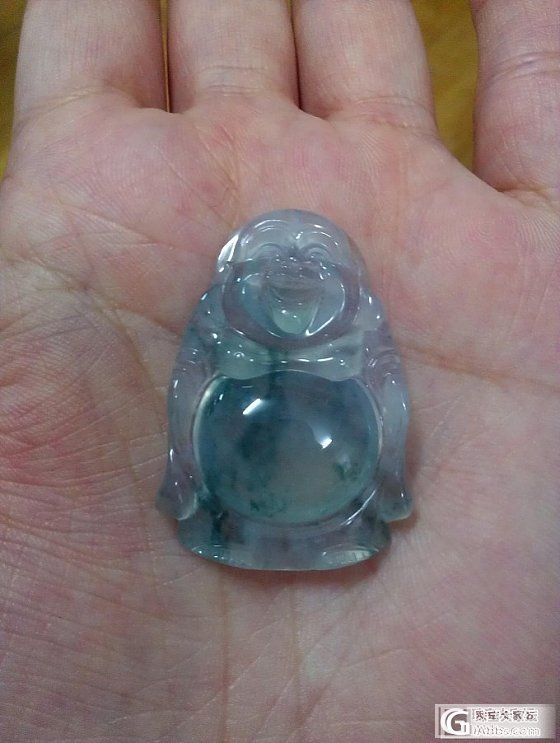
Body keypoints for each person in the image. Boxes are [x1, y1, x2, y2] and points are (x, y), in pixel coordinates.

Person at [0, 1, 558, 740]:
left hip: (341, 501)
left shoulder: (361, 328)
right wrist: (184, 474)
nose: (294, 274)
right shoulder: (218, 325)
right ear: (238, 278)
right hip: (230, 501)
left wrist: (391, 479)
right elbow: (186, 397)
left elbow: (388, 399)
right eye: (276, 263)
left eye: (313, 263)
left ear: (346, 280)